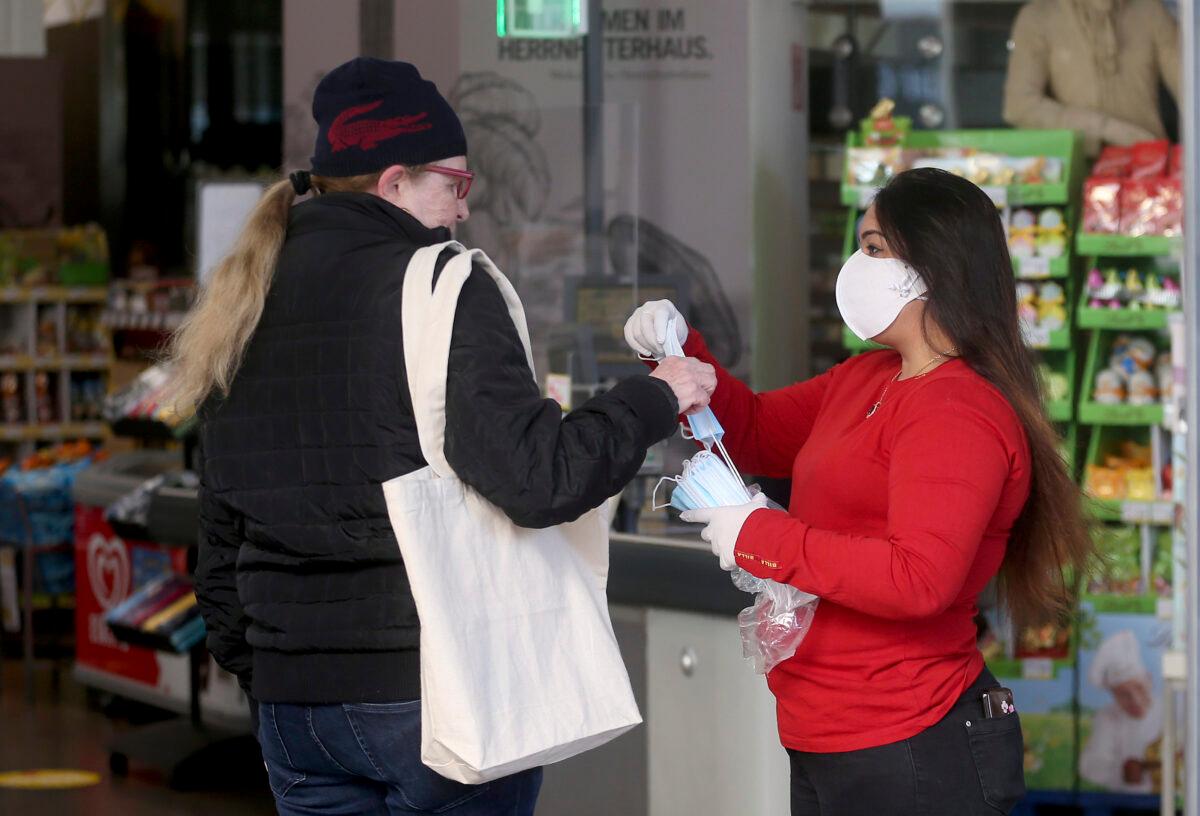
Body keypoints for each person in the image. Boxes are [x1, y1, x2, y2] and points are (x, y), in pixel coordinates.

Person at [167, 57, 715, 816]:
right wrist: (653, 398)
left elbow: (220, 528)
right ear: (395, 181)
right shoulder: (442, 286)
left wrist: (269, 677)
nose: (463, 209)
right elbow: (537, 479)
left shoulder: (245, 298)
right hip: (430, 697)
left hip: (293, 711)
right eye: (455, 184)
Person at [625, 168, 1094, 816]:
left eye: (873, 247)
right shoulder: (869, 377)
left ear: (930, 268)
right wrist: (676, 357)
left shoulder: (958, 412)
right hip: (827, 729)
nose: (855, 264)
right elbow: (757, 431)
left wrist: (758, 535)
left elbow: (917, 578)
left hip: (909, 743)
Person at [1003, 0, 1180, 155]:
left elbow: (1190, 88)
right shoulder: (1039, 17)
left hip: (1149, 161)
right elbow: (1019, 106)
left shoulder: (1151, 11)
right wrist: (1105, 128)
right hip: (1076, 167)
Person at [1080, 630, 1163, 792]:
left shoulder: (1171, 709)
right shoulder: (1107, 718)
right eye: (1123, 694)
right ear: (1113, 695)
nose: (1135, 700)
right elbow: (1091, 768)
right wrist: (1120, 771)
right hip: (1122, 802)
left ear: (1149, 680)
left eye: (1139, 688)